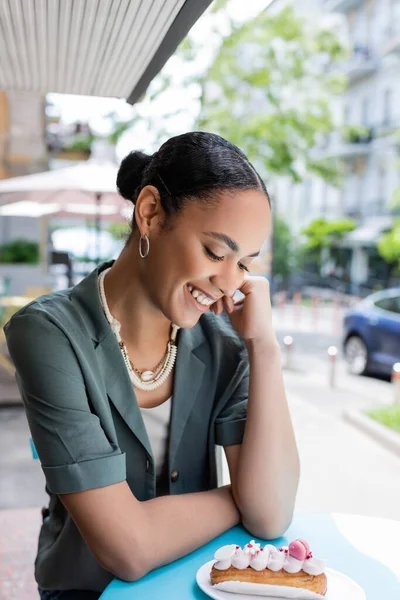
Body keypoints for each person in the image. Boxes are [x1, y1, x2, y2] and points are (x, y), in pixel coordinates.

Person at [4, 132, 300, 599]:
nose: (228, 282)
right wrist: (240, 496)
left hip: (196, 587)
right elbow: (128, 548)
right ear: (150, 213)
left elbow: (271, 513)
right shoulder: (49, 334)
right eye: (215, 252)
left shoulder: (226, 342)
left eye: (244, 263)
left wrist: (264, 347)